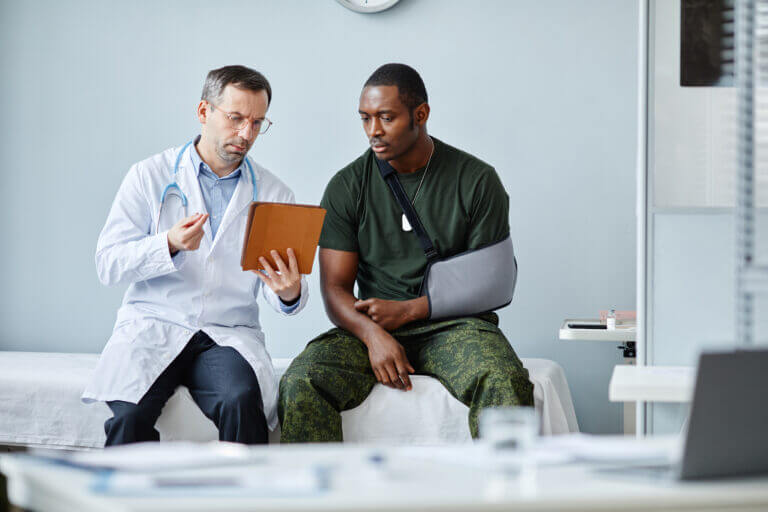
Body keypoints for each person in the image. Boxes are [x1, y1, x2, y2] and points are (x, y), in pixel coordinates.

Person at [278, 63, 533, 442]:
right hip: (372, 325)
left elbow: (492, 282)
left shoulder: (477, 180)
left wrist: (411, 309)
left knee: (504, 379)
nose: (373, 131)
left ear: (421, 115)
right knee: (302, 380)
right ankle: (323, 499)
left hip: (455, 326)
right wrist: (371, 335)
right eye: (365, 118)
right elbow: (335, 290)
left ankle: (506, 498)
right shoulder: (347, 186)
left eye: (386, 117)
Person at [83, 65, 308, 446]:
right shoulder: (148, 176)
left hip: (225, 334)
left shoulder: (275, 193)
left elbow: (279, 288)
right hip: (155, 324)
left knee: (240, 400)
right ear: (204, 112)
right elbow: (108, 263)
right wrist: (166, 243)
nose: (246, 134)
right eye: (236, 118)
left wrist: (288, 292)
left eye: (257, 123)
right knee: (130, 415)